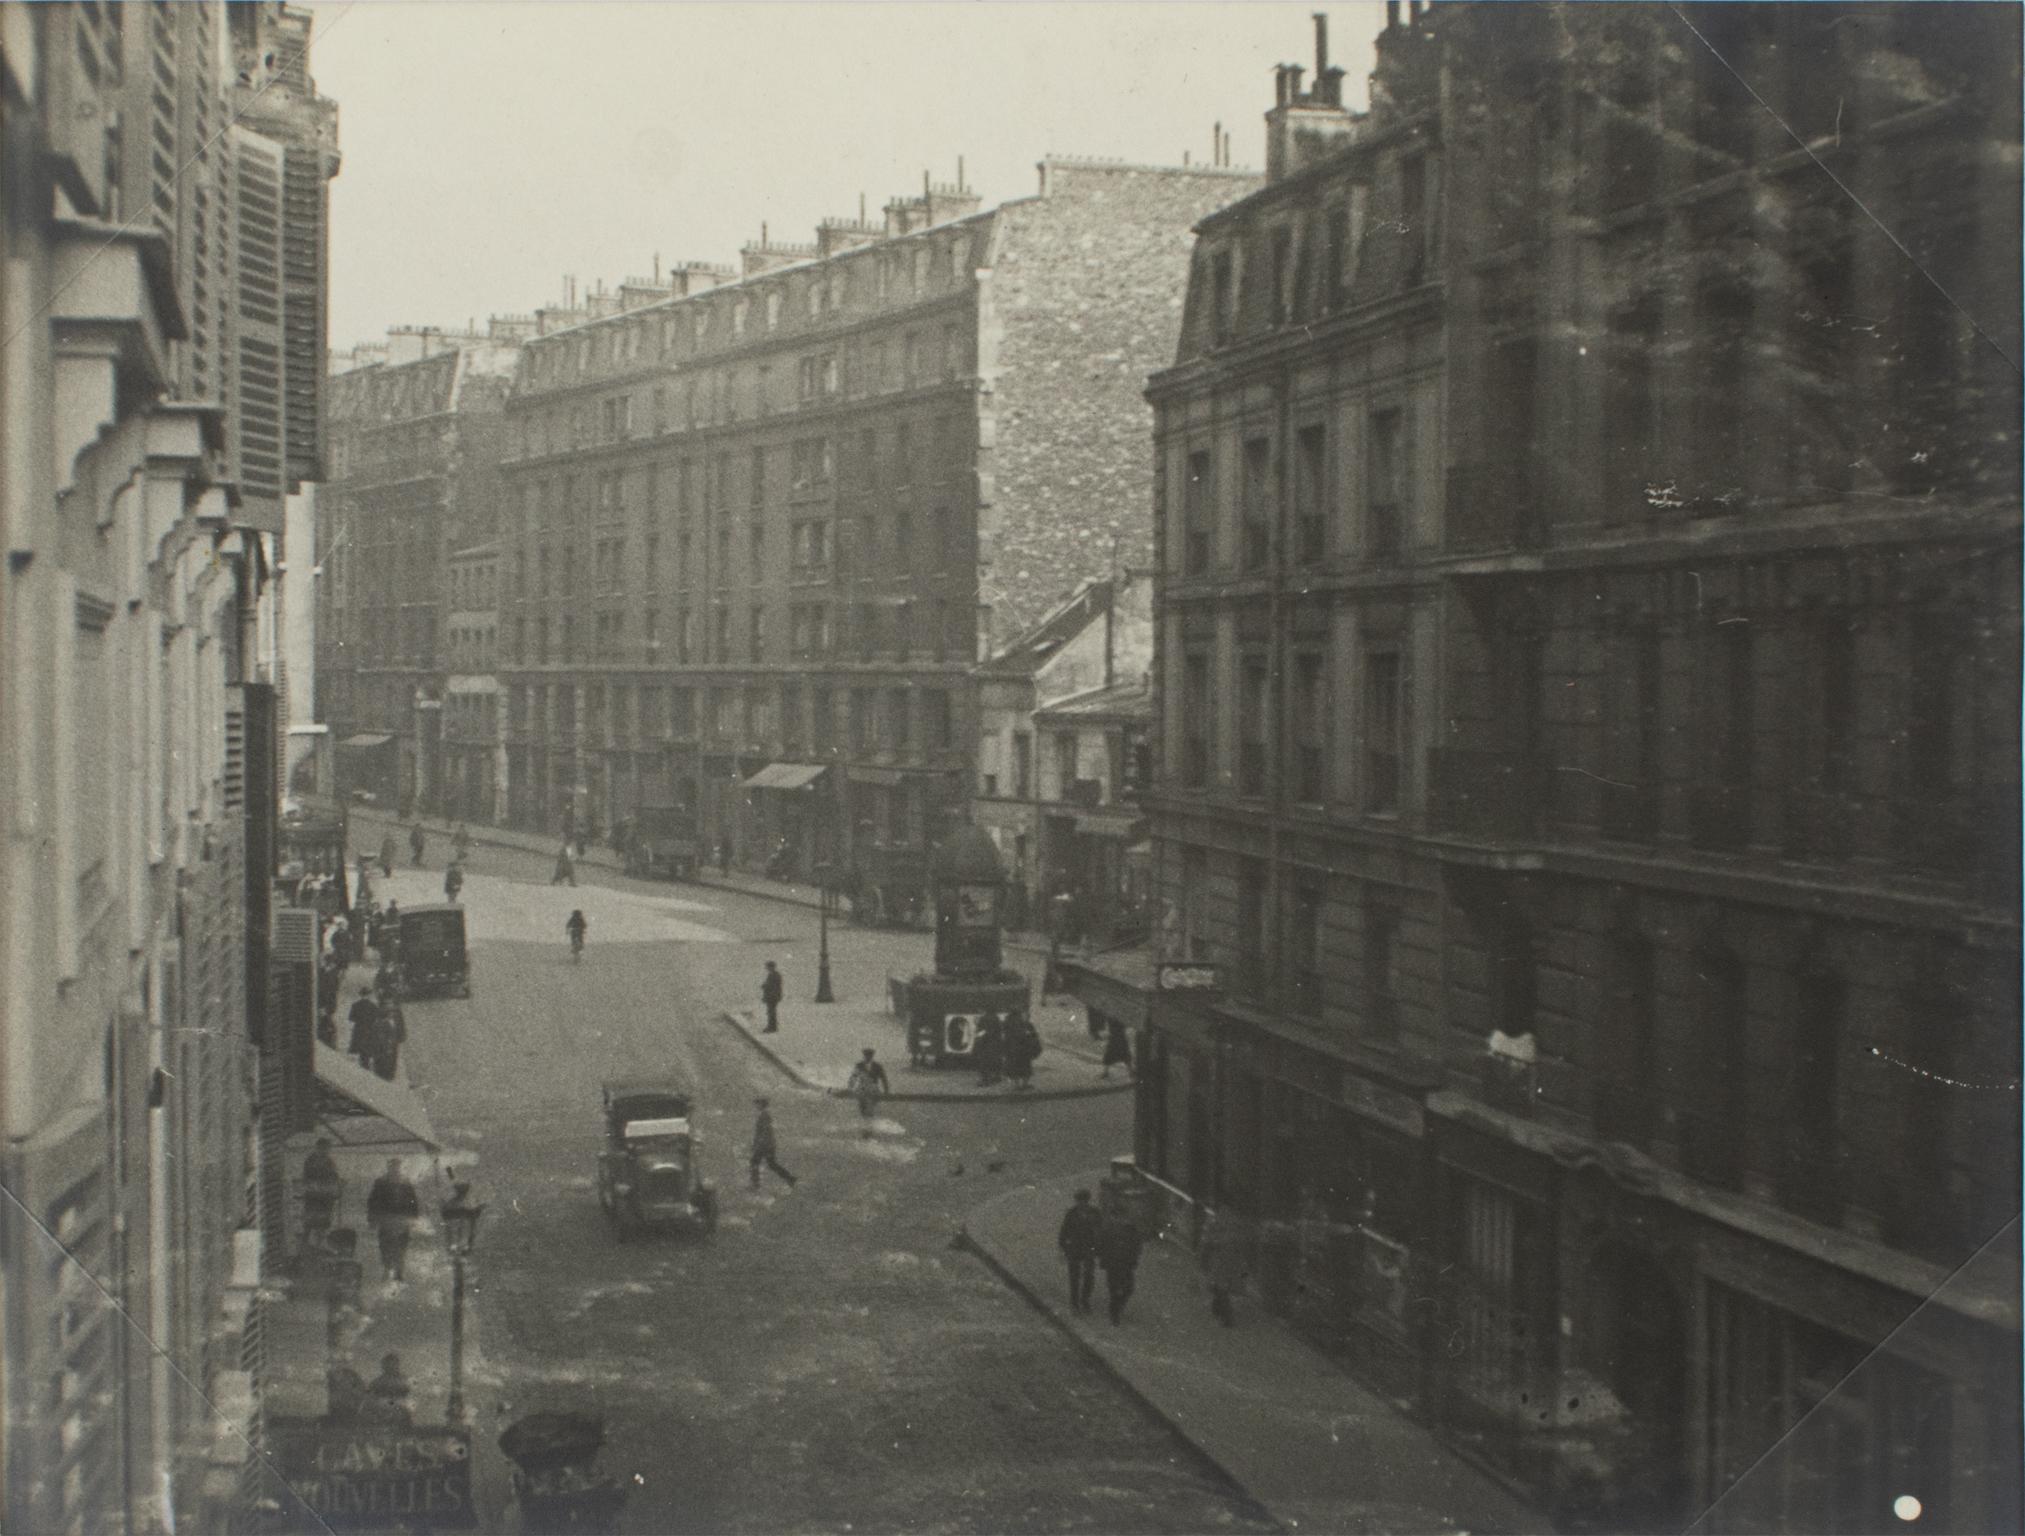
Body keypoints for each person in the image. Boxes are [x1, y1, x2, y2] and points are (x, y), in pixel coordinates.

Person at [364, 1159, 420, 1281]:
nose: (395, 1169)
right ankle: (387, 1269)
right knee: (385, 1245)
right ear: (388, 1168)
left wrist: (413, 1217)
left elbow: (413, 1201)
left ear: (400, 1167)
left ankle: (399, 1271)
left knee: (401, 1245)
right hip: (386, 1218)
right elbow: (373, 1200)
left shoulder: (405, 1182)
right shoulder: (381, 1182)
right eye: (392, 1166)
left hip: (402, 1218)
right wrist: (372, 1218)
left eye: (397, 1166)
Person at [1201, 1206, 1251, 1327]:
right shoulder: (1236, 1223)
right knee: (1222, 1284)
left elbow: (1209, 1240)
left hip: (1221, 1257)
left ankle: (1226, 1315)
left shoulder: (1218, 1220)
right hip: (1231, 1258)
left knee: (1220, 1284)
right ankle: (1218, 1308)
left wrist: (1205, 1255)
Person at [1057, 1188, 1104, 1315]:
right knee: (1074, 1277)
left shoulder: (1095, 1213)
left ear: (1087, 1200)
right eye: (1079, 1201)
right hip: (1074, 1248)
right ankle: (1074, 1303)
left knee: (1088, 1276)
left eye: (1083, 1201)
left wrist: (1099, 1248)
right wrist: (1062, 1247)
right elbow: (1064, 1231)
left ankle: (1085, 1300)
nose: (1081, 1203)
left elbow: (1100, 1231)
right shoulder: (1071, 1213)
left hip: (1089, 1248)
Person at [1096, 1208, 1144, 1325]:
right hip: (1113, 1264)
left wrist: (1133, 1258)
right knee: (1114, 1289)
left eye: (1118, 1217)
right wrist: (1103, 1258)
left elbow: (1137, 1245)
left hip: (1126, 1264)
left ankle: (1118, 1307)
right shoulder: (1108, 1230)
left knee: (1128, 1288)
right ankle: (1114, 1314)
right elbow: (1101, 1245)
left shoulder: (1130, 1230)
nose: (1117, 1220)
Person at [748, 1098, 798, 1189]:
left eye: (757, 1103)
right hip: (768, 1144)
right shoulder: (763, 1114)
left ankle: (755, 1185)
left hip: (764, 1145)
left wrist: (758, 1144)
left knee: (754, 1162)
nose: (755, 1106)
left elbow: (763, 1132)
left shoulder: (764, 1115)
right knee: (771, 1164)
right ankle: (790, 1178)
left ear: (761, 1104)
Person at [302, 1139, 341, 1251]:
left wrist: (336, 1187)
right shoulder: (310, 1161)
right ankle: (304, 1245)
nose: (325, 1151)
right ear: (317, 1148)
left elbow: (335, 1177)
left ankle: (319, 1245)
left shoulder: (330, 1162)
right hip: (313, 1196)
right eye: (322, 1148)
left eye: (327, 1149)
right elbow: (306, 1178)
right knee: (309, 1222)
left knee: (324, 1222)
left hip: (326, 1197)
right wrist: (313, 1186)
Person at [847, 1048, 890, 1135]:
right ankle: (865, 1127)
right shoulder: (859, 1065)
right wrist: (850, 1088)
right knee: (862, 1107)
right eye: (866, 1056)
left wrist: (886, 1091)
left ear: (872, 1056)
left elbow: (883, 1078)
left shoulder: (878, 1066)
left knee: (870, 1108)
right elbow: (853, 1077)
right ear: (864, 1056)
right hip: (862, 1089)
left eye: (869, 1056)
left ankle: (869, 1128)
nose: (868, 1057)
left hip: (873, 1089)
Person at [365, 1353, 412, 1424]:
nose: (391, 1366)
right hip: (384, 1411)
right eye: (389, 1364)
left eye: (394, 1364)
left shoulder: (404, 1380)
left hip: (400, 1411)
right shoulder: (377, 1382)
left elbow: (407, 1393)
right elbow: (370, 1397)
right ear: (384, 1366)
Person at [346, 990, 382, 1068]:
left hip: (358, 1030)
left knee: (357, 1050)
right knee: (366, 1051)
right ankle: (365, 1066)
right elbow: (377, 1018)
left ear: (361, 995)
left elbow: (351, 1018)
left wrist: (359, 1020)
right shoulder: (373, 1006)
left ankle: (358, 1067)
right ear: (369, 995)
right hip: (369, 1030)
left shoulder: (355, 1005)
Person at [974, 1011, 1004, 1088]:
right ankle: (997, 1076)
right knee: (995, 1061)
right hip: (995, 1044)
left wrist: (978, 1038)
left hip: (985, 1044)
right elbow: (1000, 1031)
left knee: (984, 1062)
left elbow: (980, 1032)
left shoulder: (983, 1019)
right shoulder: (996, 1018)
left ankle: (985, 1080)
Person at [760, 960, 784, 1032]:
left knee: (771, 1012)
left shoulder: (773, 975)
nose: (766, 968)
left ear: (771, 967)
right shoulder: (776, 975)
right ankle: (772, 1027)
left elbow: (771, 986)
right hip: (774, 996)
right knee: (771, 1012)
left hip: (772, 997)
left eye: (767, 967)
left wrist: (764, 986)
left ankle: (772, 1027)